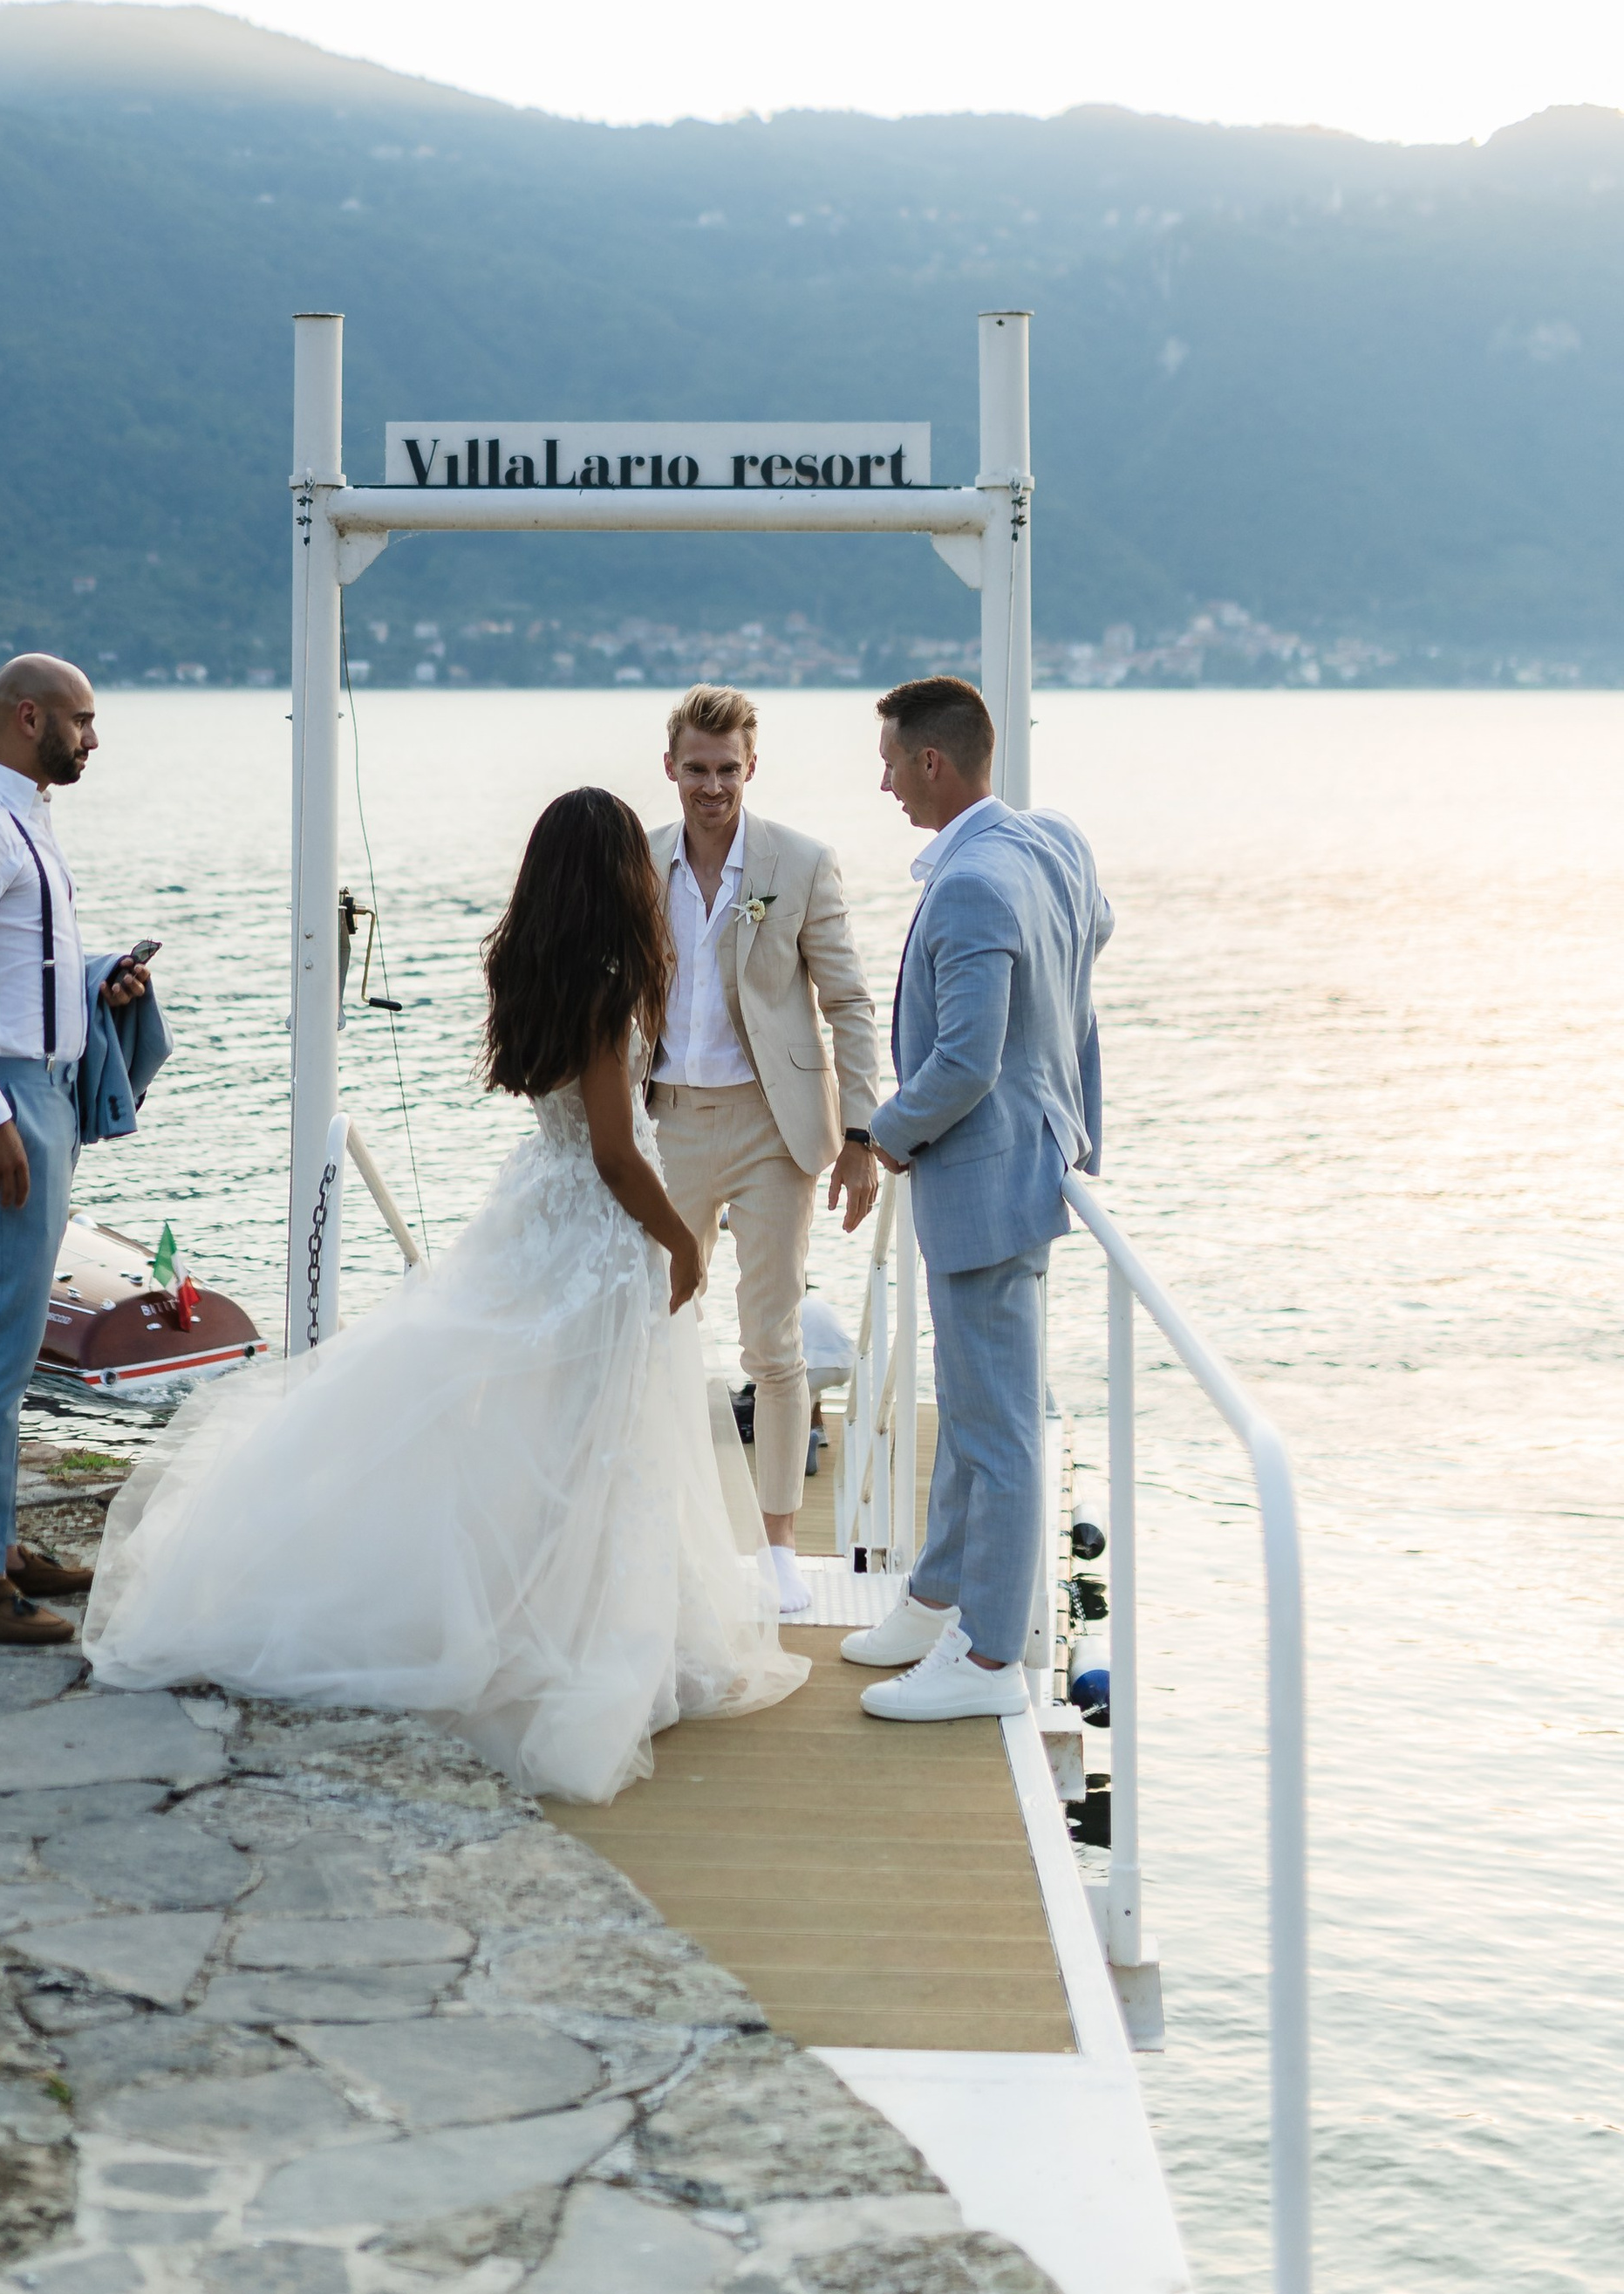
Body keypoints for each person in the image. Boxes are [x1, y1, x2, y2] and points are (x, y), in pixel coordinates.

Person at [84, 788, 807, 1801]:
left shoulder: (533, 963)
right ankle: (582, 1635)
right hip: (596, 1232)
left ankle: (578, 1616)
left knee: (568, 1437)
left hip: (540, 1209)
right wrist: (680, 1239)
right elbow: (611, 1151)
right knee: (600, 1440)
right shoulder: (604, 981)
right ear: (613, 876)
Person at [844, 675, 1111, 1723]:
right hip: (1031, 1158)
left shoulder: (967, 884)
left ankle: (992, 1659)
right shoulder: (1053, 845)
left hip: (985, 1182)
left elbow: (961, 1063)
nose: (883, 783)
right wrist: (1064, 1097)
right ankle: (937, 1596)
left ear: (932, 764)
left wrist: (882, 1133)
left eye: (889, 763)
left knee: (996, 1429)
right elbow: (1091, 942)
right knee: (967, 1408)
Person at [0, 654, 152, 1645]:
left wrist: (98, 982)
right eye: (82, 722)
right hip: (6, 1098)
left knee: (1, 1337)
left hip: (34, 1089)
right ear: (28, 716)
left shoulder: (24, 822)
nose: (94, 738)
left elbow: (14, 969)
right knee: (2, 1345)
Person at [646, 686, 882, 1618]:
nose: (712, 788)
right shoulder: (640, 861)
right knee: (655, 1332)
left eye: (728, 771)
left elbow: (850, 1005)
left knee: (771, 1342)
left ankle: (778, 1544)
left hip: (771, 1128)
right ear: (670, 767)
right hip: (665, 1122)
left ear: (752, 768)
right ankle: (662, 1528)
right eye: (697, 770)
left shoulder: (801, 862)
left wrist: (861, 1137)